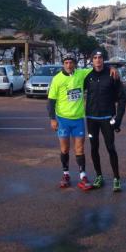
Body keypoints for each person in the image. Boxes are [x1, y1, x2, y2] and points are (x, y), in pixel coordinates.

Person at [47, 53, 94, 191]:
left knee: (79, 149)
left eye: (71, 62)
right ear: (63, 64)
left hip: (78, 119)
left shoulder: (80, 74)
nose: (68, 65)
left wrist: (111, 69)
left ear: (74, 63)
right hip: (63, 120)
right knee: (65, 149)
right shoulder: (57, 79)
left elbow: (97, 67)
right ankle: (66, 175)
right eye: (66, 62)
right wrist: (52, 119)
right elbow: (50, 102)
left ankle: (83, 176)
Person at [84, 49, 126, 192]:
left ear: (103, 60)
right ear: (91, 60)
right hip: (91, 119)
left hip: (107, 118)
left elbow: (122, 98)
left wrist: (118, 119)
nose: (97, 60)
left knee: (110, 148)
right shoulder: (86, 76)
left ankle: (116, 178)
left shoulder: (112, 75)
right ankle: (99, 176)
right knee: (94, 148)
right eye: (95, 57)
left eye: (100, 57)